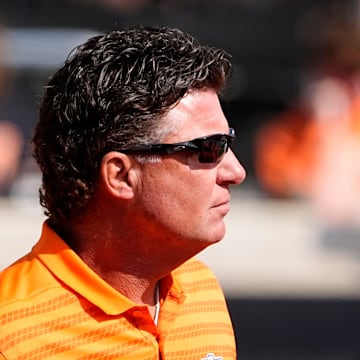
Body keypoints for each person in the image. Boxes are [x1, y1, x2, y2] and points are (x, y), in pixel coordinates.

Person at [0, 26, 246, 359]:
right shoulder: (12, 333)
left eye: (227, 142)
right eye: (209, 149)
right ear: (120, 176)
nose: (236, 172)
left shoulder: (199, 289)